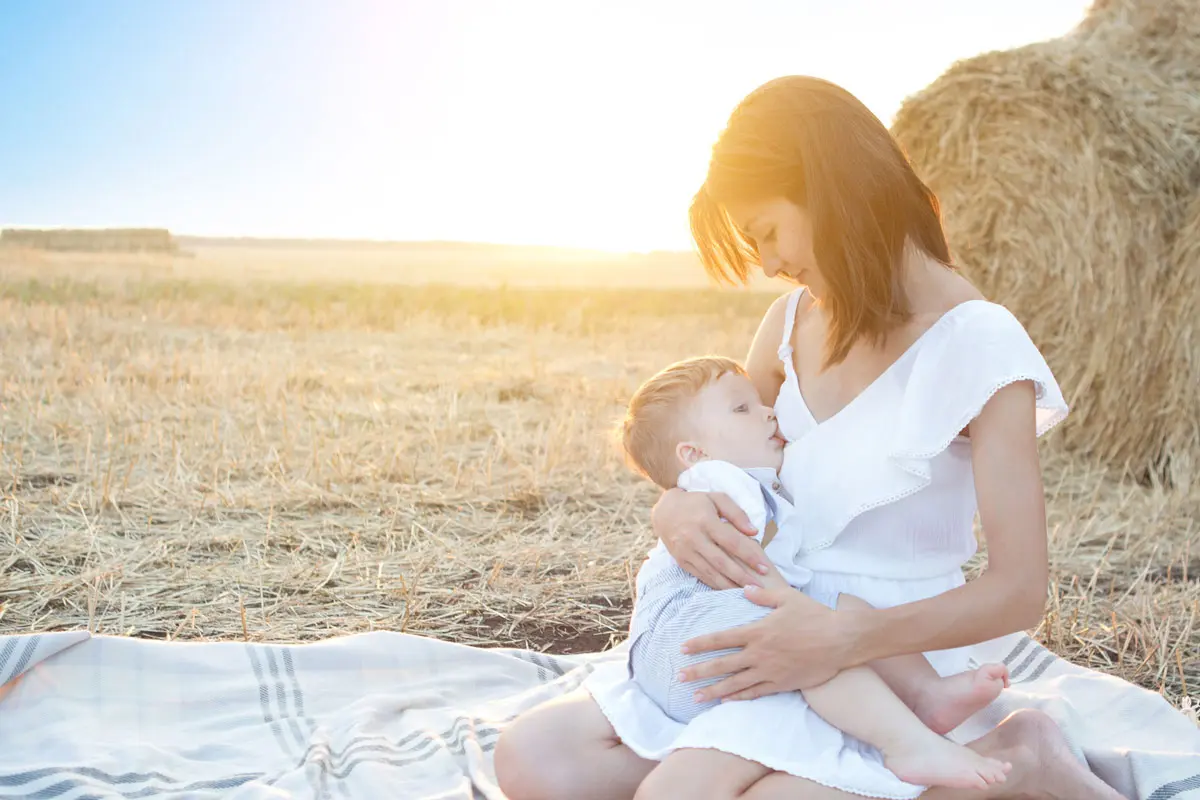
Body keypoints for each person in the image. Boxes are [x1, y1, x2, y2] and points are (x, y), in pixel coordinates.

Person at [494, 75, 1128, 800]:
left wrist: (844, 640)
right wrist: (672, 508)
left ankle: (1018, 756)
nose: (765, 264)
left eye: (766, 233)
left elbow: (1018, 592)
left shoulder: (980, 343)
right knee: (537, 758)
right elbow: (721, 456)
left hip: (892, 660)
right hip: (772, 626)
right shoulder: (789, 324)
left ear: (828, 188)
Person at [613, 353, 1012, 791]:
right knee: (813, 640)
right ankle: (907, 742)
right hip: (692, 637)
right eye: (742, 408)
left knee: (842, 608)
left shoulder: (723, 484)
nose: (768, 411)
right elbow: (750, 564)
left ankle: (928, 692)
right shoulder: (724, 484)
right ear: (694, 454)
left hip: (672, 658)